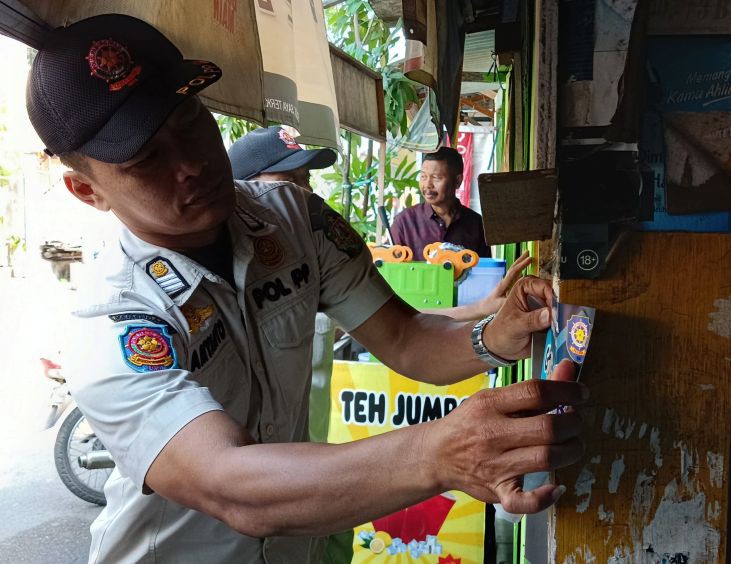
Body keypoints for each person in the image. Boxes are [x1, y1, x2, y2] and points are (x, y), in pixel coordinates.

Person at [31, 14, 586, 563]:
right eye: (147, 158)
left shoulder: (294, 220)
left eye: (189, 122)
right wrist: (442, 454)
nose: (192, 163)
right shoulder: (111, 318)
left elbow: (407, 337)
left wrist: (496, 335)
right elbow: (230, 483)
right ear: (88, 190)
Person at [226, 126, 531, 442]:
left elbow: (404, 332)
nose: (303, 196)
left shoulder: (318, 255)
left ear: (456, 182)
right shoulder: (187, 284)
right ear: (240, 192)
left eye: (306, 181)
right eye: (288, 185)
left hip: (303, 464)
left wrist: (496, 332)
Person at [390, 146, 491, 258]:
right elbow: (390, 269)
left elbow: (484, 271)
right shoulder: (404, 222)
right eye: (423, 176)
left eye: (436, 177)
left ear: (458, 181)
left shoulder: (476, 224)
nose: (427, 184)